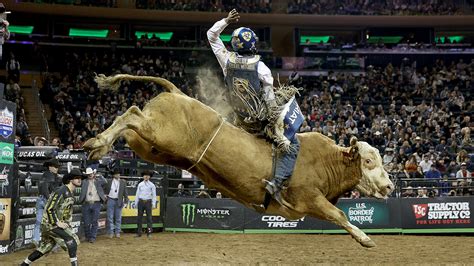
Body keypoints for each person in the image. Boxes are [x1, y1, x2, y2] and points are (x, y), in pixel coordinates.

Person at [207, 9, 302, 205]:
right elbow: (270, 101)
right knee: (293, 144)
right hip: (258, 121)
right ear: (252, 45)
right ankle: (276, 182)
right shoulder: (262, 68)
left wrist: (226, 20)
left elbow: (211, 35)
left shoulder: (226, 59)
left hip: (238, 118)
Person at [20, 168, 86, 266]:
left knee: (45, 247)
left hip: (50, 224)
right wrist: (56, 222)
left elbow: (65, 212)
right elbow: (50, 208)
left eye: (80, 178)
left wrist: (66, 223)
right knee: (72, 240)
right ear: (71, 179)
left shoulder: (69, 192)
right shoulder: (61, 191)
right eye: (76, 178)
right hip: (50, 224)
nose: (79, 180)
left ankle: (24, 264)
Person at [33, 159, 60, 246]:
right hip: (46, 200)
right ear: (50, 167)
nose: (57, 169)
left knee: (39, 221)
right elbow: (45, 187)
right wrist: (49, 200)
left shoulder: (44, 175)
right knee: (54, 221)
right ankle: (53, 242)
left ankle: (36, 239)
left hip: (40, 199)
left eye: (57, 167)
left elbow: (42, 187)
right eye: (55, 167)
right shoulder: (51, 176)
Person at [78, 167, 107, 243]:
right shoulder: (84, 182)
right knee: (86, 222)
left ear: (93, 173)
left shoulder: (98, 181)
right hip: (86, 203)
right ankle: (88, 236)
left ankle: (93, 237)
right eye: (88, 174)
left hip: (96, 203)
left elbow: (105, 182)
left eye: (90, 174)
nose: (89, 175)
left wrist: (99, 175)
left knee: (94, 221)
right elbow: (78, 182)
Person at [105, 168, 128, 238]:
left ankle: (117, 232)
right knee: (110, 217)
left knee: (118, 217)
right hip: (110, 199)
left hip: (118, 200)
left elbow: (125, 192)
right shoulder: (109, 181)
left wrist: (126, 201)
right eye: (116, 174)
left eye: (119, 174)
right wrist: (104, 194)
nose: (118, 175)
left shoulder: (123, 182)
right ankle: (111, 232)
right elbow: (104, 188)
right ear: (113, 175)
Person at [135, 170, 156, 238]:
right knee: (139, 218)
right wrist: (136, 203)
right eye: (145, 175)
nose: (146, 176)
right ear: (143, 176)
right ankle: (139, 233)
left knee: (149, 218)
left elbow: (154, 195)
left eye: (147, 175)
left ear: (149, 177)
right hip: (141, 202)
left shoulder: (152, 185)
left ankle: (149, 232)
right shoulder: (140, 184)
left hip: (148, 202)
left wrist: (153, 204)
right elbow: (137, 194)